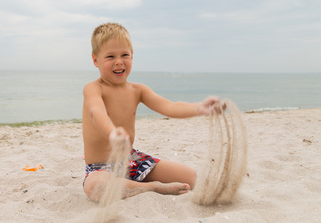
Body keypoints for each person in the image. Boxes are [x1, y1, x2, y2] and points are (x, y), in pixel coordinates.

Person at [82, 22, 223, 201]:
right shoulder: (93, 88)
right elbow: (96, 111)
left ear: (132, 56)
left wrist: (199, 108)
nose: (119, 61)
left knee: (191, 177)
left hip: (132, 160)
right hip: (101, 168)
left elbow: (169, 106)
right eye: (110, 56)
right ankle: (152, 188)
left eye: (124, 55)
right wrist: (112, 132)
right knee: (96, 187)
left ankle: (135, 183)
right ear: (95, 60)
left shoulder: (138, 90)